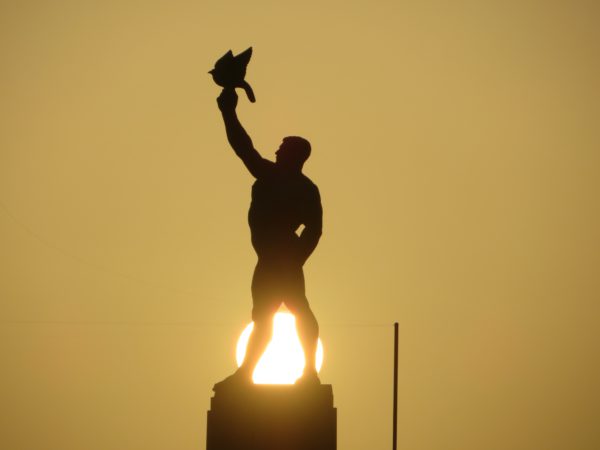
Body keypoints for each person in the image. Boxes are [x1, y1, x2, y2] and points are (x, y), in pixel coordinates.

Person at [214, 88, 323, 389]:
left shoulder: (296, 186)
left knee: (296, 310)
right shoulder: (272, 176)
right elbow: (243, 148)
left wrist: (295, 257)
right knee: (264, 317)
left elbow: (314, 229)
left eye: (281, 149)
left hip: (282, 259)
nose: (275, 152)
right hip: (269, 259)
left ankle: (308, 372)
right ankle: (247, 373)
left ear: (294, 156)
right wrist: (228, 113)